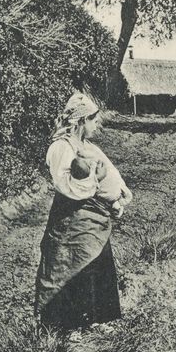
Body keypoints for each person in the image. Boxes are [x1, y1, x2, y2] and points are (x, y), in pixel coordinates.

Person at [34, 92, 133, 334]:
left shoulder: (86, 146)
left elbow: (107, 173)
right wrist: (94, 180)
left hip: (93, 217)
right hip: (73, 218)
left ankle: (96, 320)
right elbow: (67, 186)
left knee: (97, 263)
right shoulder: (61, 147)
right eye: (93, 120)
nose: (96, 124)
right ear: (80, 121)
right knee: (72, 266)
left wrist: (117, 195)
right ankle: (68, 327)